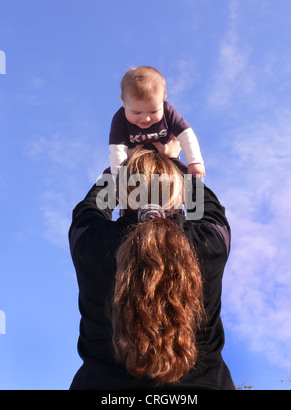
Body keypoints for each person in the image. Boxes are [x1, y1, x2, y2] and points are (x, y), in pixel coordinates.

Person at [69, 139, 234, 390]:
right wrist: (177, 160)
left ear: (120, 194)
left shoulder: (91, 243)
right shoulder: (209, 243)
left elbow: (89, 209)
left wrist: (120, 165)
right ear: (179, 195)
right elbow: (209, 210)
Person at [109, 66, 205, 180]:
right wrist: (119, 181)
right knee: (108, 178)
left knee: (192, 182)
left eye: (153, 111)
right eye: (137, 113)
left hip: (167, 162)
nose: (146, 119)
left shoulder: (168, 111)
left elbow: (186, 135)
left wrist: (194, 162)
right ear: (124, 102)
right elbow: (117, 151)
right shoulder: (120, 119)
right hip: (133, 164)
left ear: (163, 99)